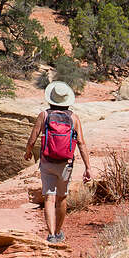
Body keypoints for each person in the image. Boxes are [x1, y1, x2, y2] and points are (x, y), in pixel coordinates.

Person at [24, 80, 91, 244]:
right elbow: (81, 143)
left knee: (49, 197)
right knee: (61, 198)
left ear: (50, 99)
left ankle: (51, 234)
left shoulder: (44, 115)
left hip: (47, 161)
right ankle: (59, 232)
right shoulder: (73, 118)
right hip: (65, 163)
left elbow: (32, 139)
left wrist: (27, 153)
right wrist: (88, 167)